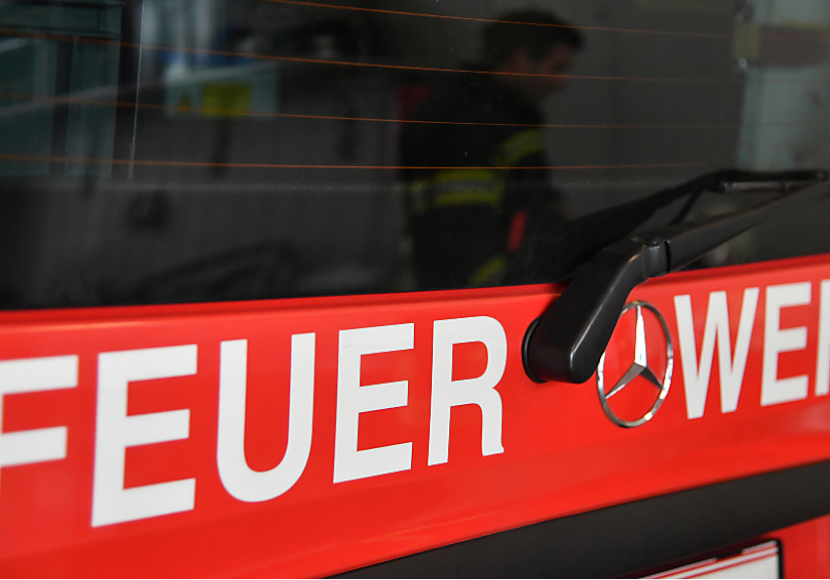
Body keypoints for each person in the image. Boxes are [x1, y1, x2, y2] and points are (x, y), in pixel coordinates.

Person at [399, 10, 584, 290]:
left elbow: (525, 195)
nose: (561, 83)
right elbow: (463, 240)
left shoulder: (511, 117)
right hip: (471, 300)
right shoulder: (464, 120)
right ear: (521, 58)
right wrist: (504, 294)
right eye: (557, 68)